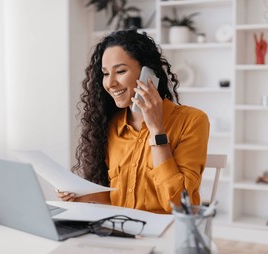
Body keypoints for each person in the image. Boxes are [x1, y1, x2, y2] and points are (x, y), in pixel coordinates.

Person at [57, 29, 209, 214]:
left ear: (148, 74)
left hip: (166, 234)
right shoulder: (112, 126)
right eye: (105, 73)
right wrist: (82, 196)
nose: (110, 83)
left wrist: (156, 130)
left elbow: (180, 205)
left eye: (120, 71)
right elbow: (119, 198)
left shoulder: (192, 121)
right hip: (123, 228)